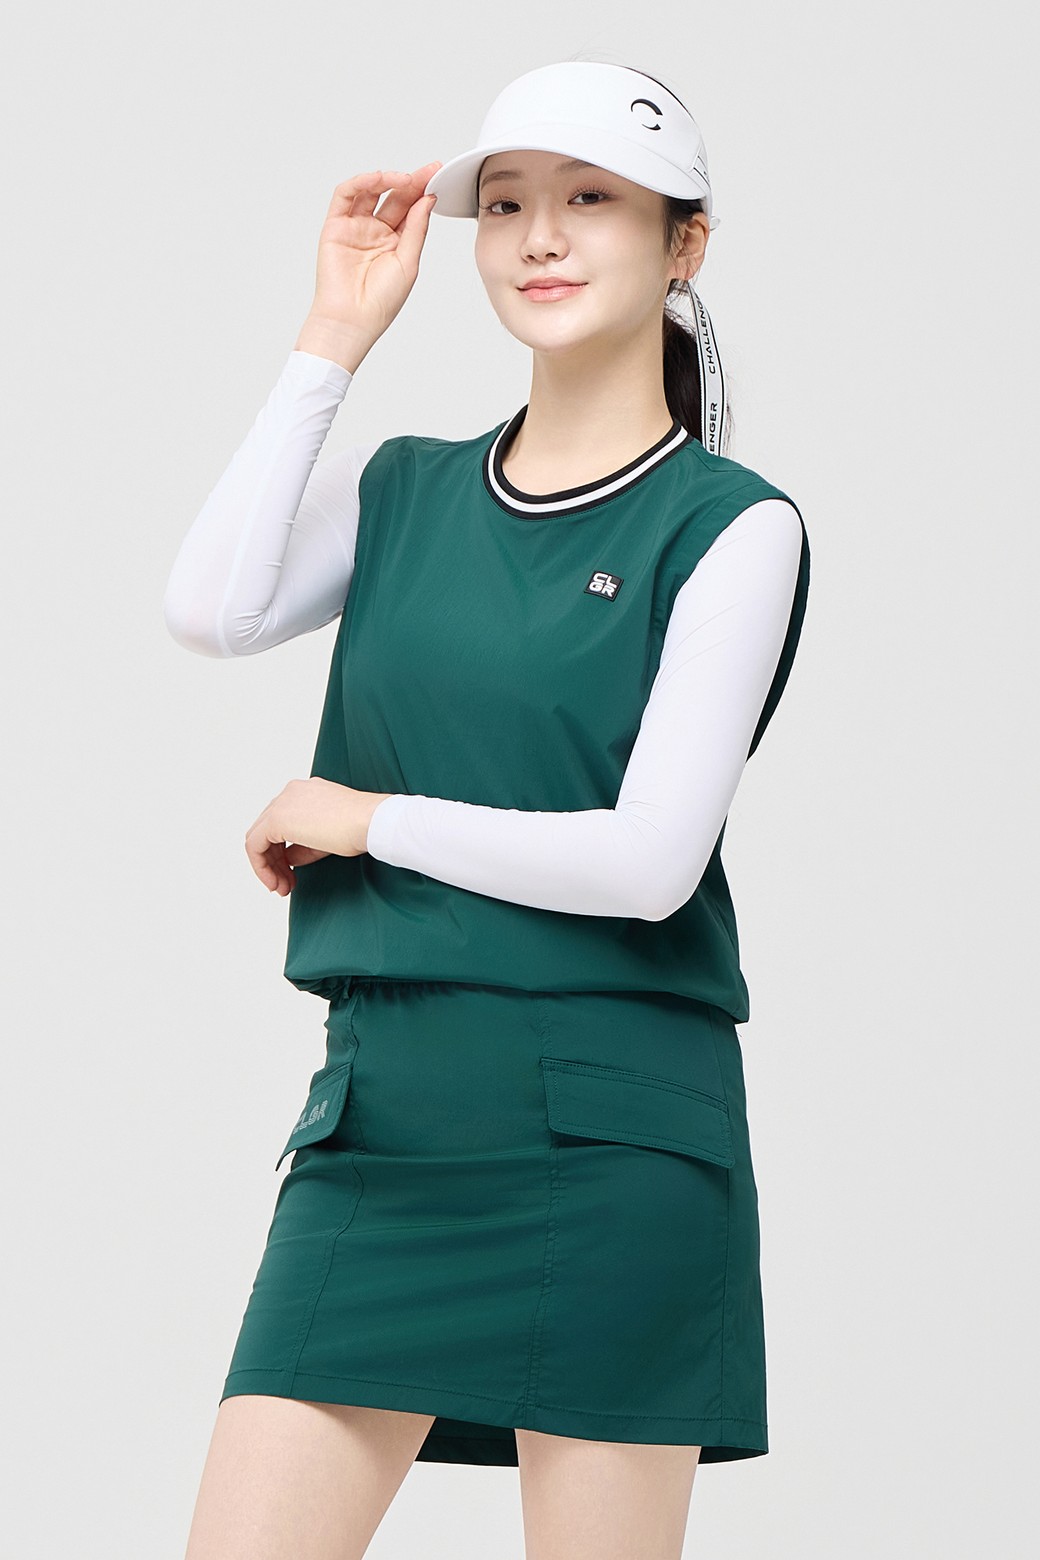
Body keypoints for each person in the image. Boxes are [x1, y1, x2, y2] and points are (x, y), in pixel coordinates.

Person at [165, 58, 811, 1560]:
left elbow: (650, 863)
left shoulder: (731, 526)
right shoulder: (406, 489)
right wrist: (333, 339)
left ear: (686, 243)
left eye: (591, 199)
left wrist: (367, 819)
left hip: (612, 1139)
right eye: (506, 205)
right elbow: (211, 609)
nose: (541, 236)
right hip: (384, 1119)